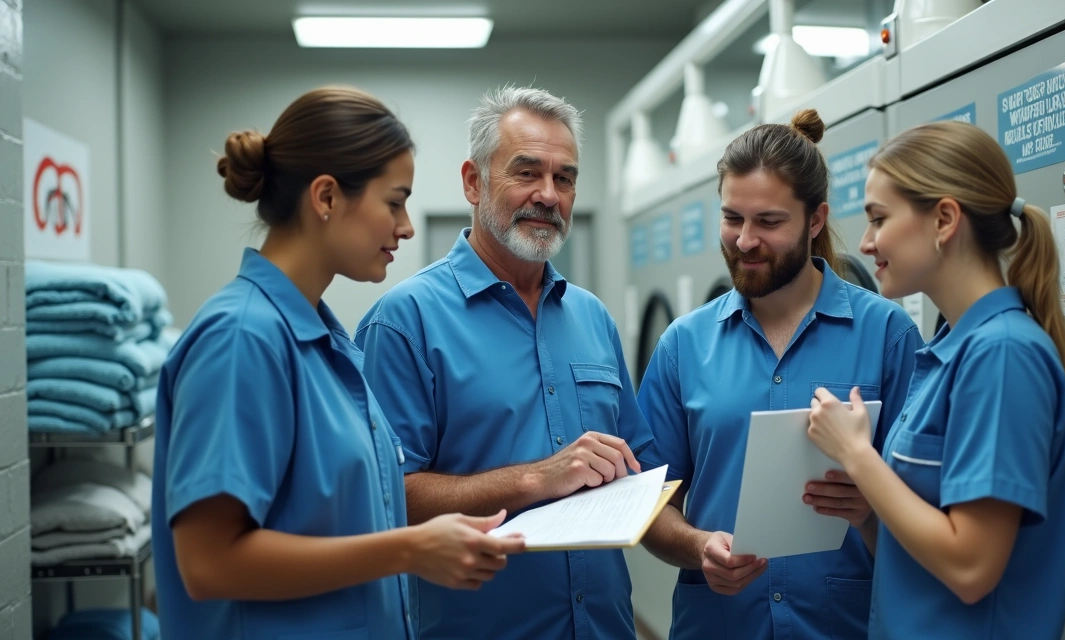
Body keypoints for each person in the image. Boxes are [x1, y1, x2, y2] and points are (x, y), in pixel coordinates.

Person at [151, 86, 524, 640]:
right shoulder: (241, 338)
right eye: (394, 202)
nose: (406, 227)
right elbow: (209, 563)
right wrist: (410, 547)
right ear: (326, 197)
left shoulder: (324, 340)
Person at [354, 85, 653, 639]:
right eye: (526, 172)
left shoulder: (592, 318)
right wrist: (536, 478)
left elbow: (638, 467)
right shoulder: (405, 321)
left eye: (564, 178)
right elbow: (386, 496)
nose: (548, 194)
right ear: (474, 181)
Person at [637, 109, 923, 640]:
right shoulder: (684, 345)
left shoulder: (887, 333)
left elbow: (930, 510)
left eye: (769, 222)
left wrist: (871, 509)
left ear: (815, 220)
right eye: (732, 218)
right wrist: (699, 547)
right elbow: (650, 504)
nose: (745, 240)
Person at [806, 120, 1065, 639]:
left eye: (878, 219)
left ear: (945, 219)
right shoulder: (948, 351)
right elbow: (918, 556)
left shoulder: (1003, 356)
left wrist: (859, 456)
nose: (865, 243)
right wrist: (867, 513)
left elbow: (971, 569)